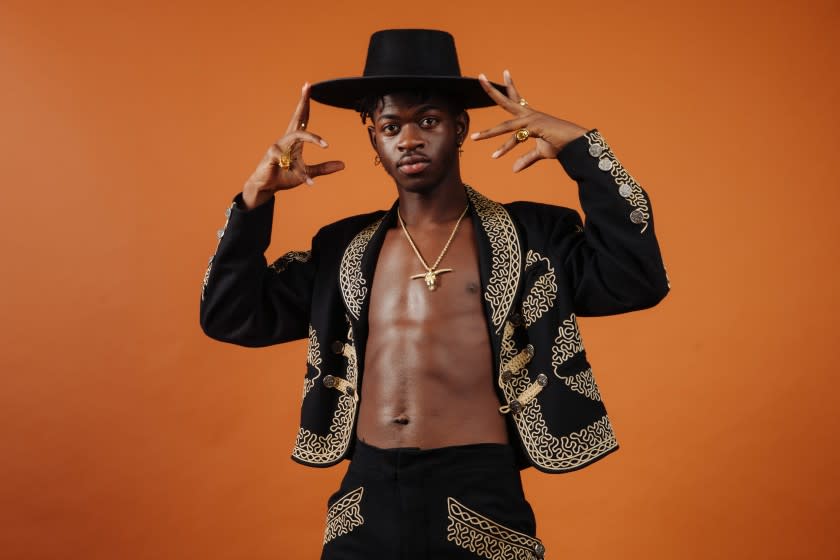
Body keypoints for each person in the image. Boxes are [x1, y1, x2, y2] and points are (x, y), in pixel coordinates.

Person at [200, 29, 669, 560]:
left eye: (428, 121)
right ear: (373, 139)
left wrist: (582, 151)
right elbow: (231, 314)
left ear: (461, 127)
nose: (409, 140)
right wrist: (254, 200)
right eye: (390, 126)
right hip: (367, 492)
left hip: (476, 490)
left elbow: (636, 277)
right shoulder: (343, 249)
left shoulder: (530, 235)